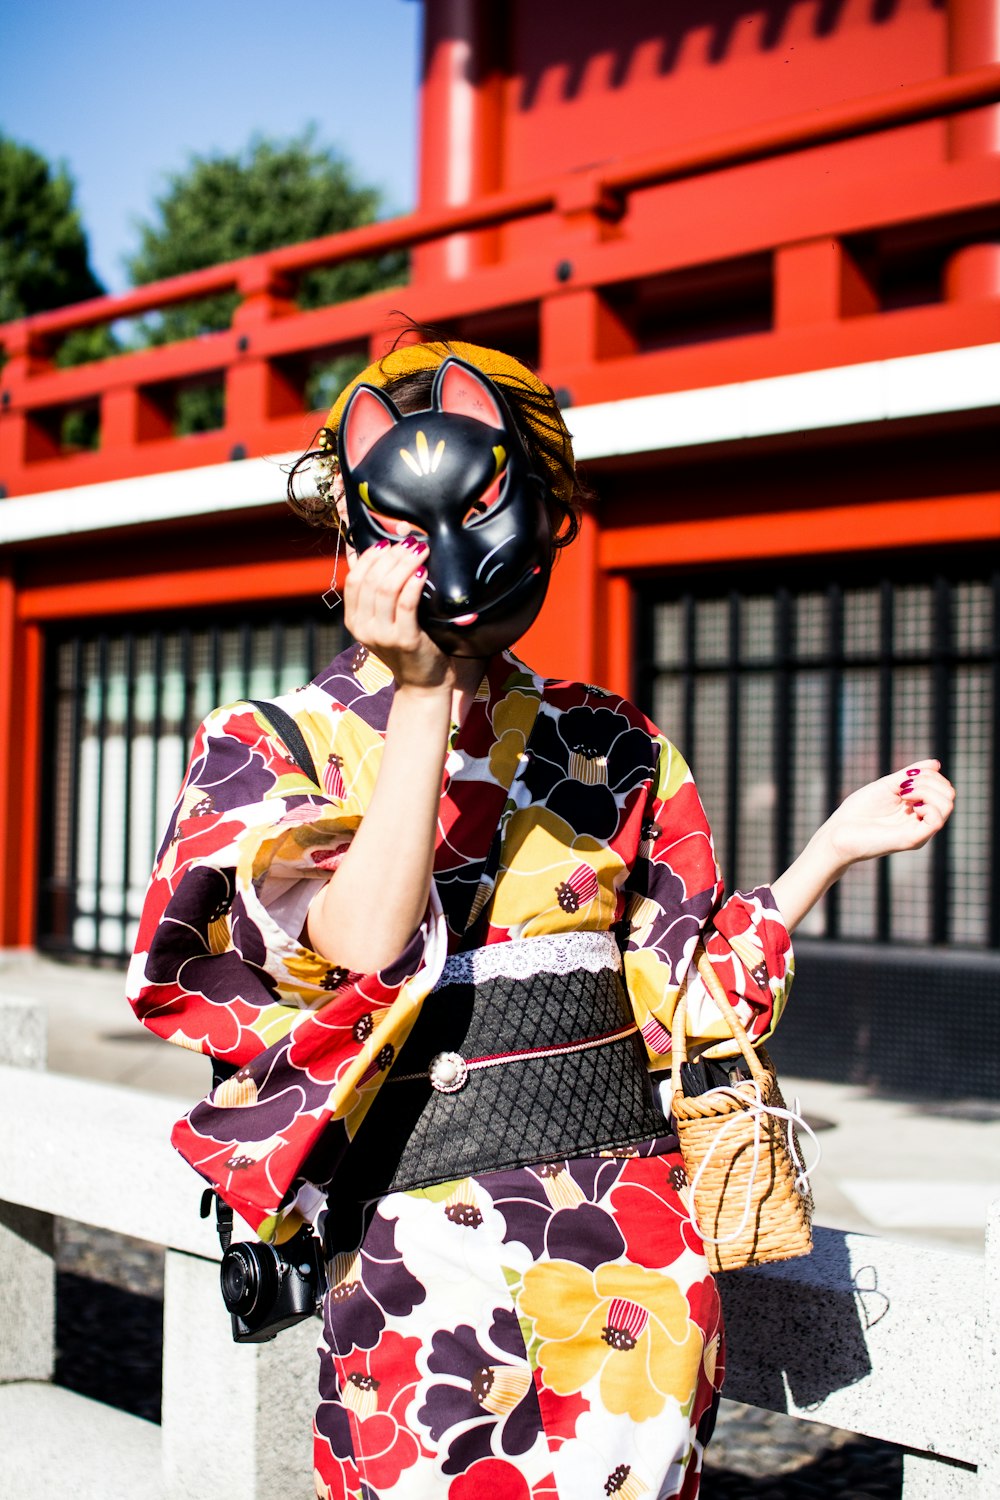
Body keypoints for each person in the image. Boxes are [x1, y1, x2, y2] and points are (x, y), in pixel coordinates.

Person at [127, 339, 955, 1500]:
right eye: (396, 522)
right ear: (352, 533)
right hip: (412, 1242)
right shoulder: (271, 746)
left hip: (633, 1240)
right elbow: (357, 945)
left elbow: (679, 1001)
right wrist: (421, 694)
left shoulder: (607, 743)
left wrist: (829, 852)